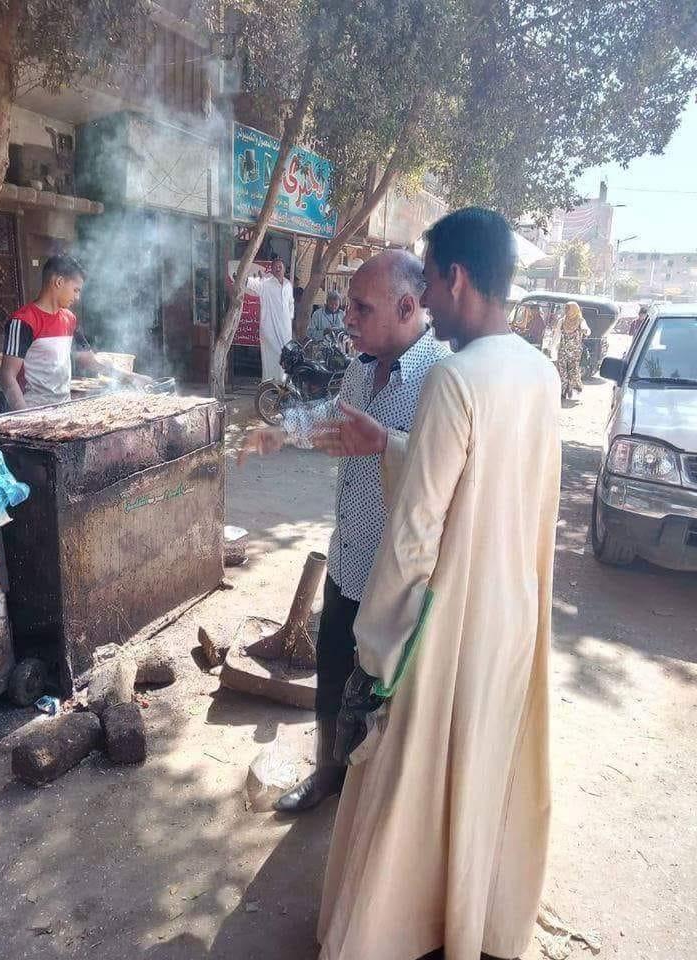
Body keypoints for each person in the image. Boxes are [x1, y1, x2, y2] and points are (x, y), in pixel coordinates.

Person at [314, 208, 561, 960]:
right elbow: (516, 500)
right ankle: (470, 924)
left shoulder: (454, 378)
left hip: (446, 627)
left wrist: (376, 650)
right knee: (477, 777)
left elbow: (417, 532)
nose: (426, 302)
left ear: (455, 278)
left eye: (430, 284)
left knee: (407, 791)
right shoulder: (540, 372)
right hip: (511, 619)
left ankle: (395, 934)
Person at [239, 250, 450, 814]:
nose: (347, 318)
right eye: (349, 305)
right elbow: (336, 413)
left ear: (406, 307)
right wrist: (283, 430)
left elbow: (449, 471)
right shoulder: (361, 366)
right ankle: (329, 776)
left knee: (387, 696)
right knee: (333, 677)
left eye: (362, 307)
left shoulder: (442, 379)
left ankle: (376, 809)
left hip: (397, 578)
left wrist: (386, 443)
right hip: (348, 560)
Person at [0, 255, 150, 411]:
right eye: (76, 290)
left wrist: (132, 377)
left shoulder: (69, 319)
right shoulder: (23, 321)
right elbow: (7, 376)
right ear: (59, 282)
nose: (77, 297)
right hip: (33, 411)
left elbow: (90, 361)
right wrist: (25, 415)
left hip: (64, 409)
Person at [244, 254, 294, 382]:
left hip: (285, 330)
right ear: (271, 269)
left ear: (284, 269)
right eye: (275, 267)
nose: (278, 268)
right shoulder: (266, 283)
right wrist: (243, 278)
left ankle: (282, 384)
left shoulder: (288, 285)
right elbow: (252, 283)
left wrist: (290, 320)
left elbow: (290, 304)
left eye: (280, 266)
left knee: (285, 355)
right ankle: (270, 384)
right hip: (270, 329)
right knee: (273, 357)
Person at [557, 300, 590, 400]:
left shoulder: (580, 321)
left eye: (568, 309)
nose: (566, 311)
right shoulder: (562, 321)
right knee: (562, 371)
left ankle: (571, 388)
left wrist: (585, 331)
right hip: (562, 351)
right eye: (566, 308)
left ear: (574, 310)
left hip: (575, 352)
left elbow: (587, 329)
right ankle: (563, 390)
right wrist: (552, 347)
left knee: (573, 371)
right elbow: (557, 334)